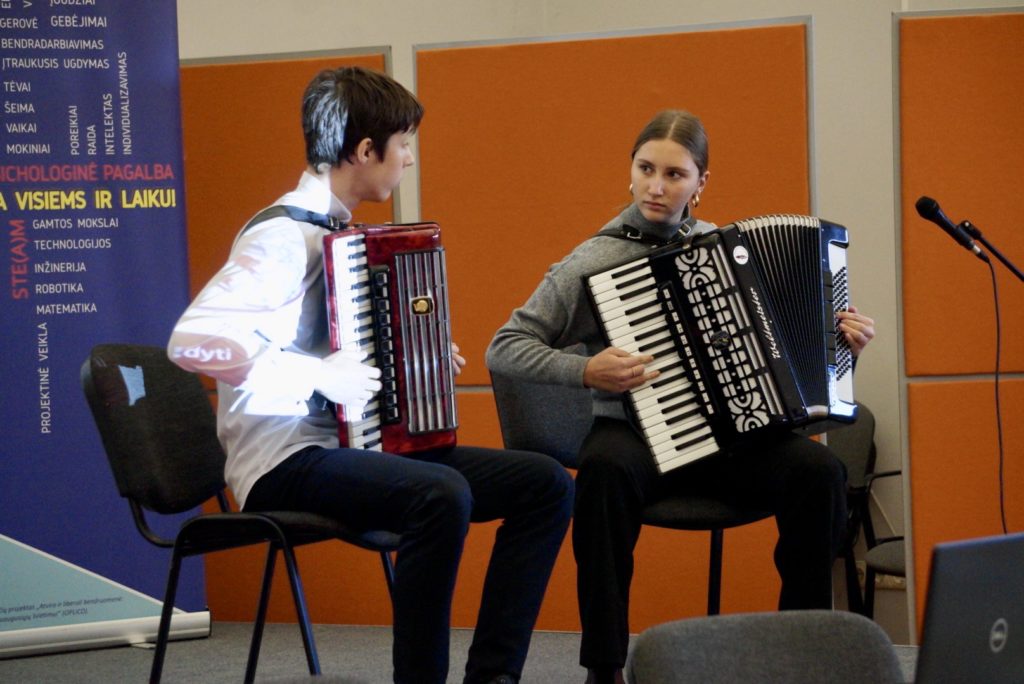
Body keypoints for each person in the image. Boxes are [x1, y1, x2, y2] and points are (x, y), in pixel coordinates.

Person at [166, 66, 573, 684]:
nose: (407, 158)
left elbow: (345, 345)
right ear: (363, 150)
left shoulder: (338, 234)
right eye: (403, 144)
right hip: (282, 462)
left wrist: (415, 358)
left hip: (349, 450)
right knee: (441, 495)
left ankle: (494, 677)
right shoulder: (282, 239)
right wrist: (316, 378)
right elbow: (193, 342)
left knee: (545, 485)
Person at [485, 109, 876, 684]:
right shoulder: (592, 259)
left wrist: (844, 348)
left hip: (727, 440)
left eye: (674, 174)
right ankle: (604, 666)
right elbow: (505, 347)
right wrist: (585, 369)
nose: (656, 186)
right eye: (646, 169)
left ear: (700, 183)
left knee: (819, 473)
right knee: (602, 472)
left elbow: (788, 369)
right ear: (630, 171)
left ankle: (799, 656)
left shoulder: (726, 248)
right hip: (634, 436)